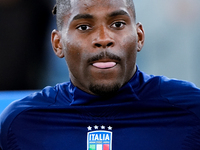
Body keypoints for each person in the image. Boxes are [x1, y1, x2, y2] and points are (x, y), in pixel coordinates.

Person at [0, 0, 200, 149]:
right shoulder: (19, 123)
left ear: (139, 36)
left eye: (118, 24)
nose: (103, 39)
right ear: (57, 43)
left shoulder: (192, 111)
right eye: (84, 27)